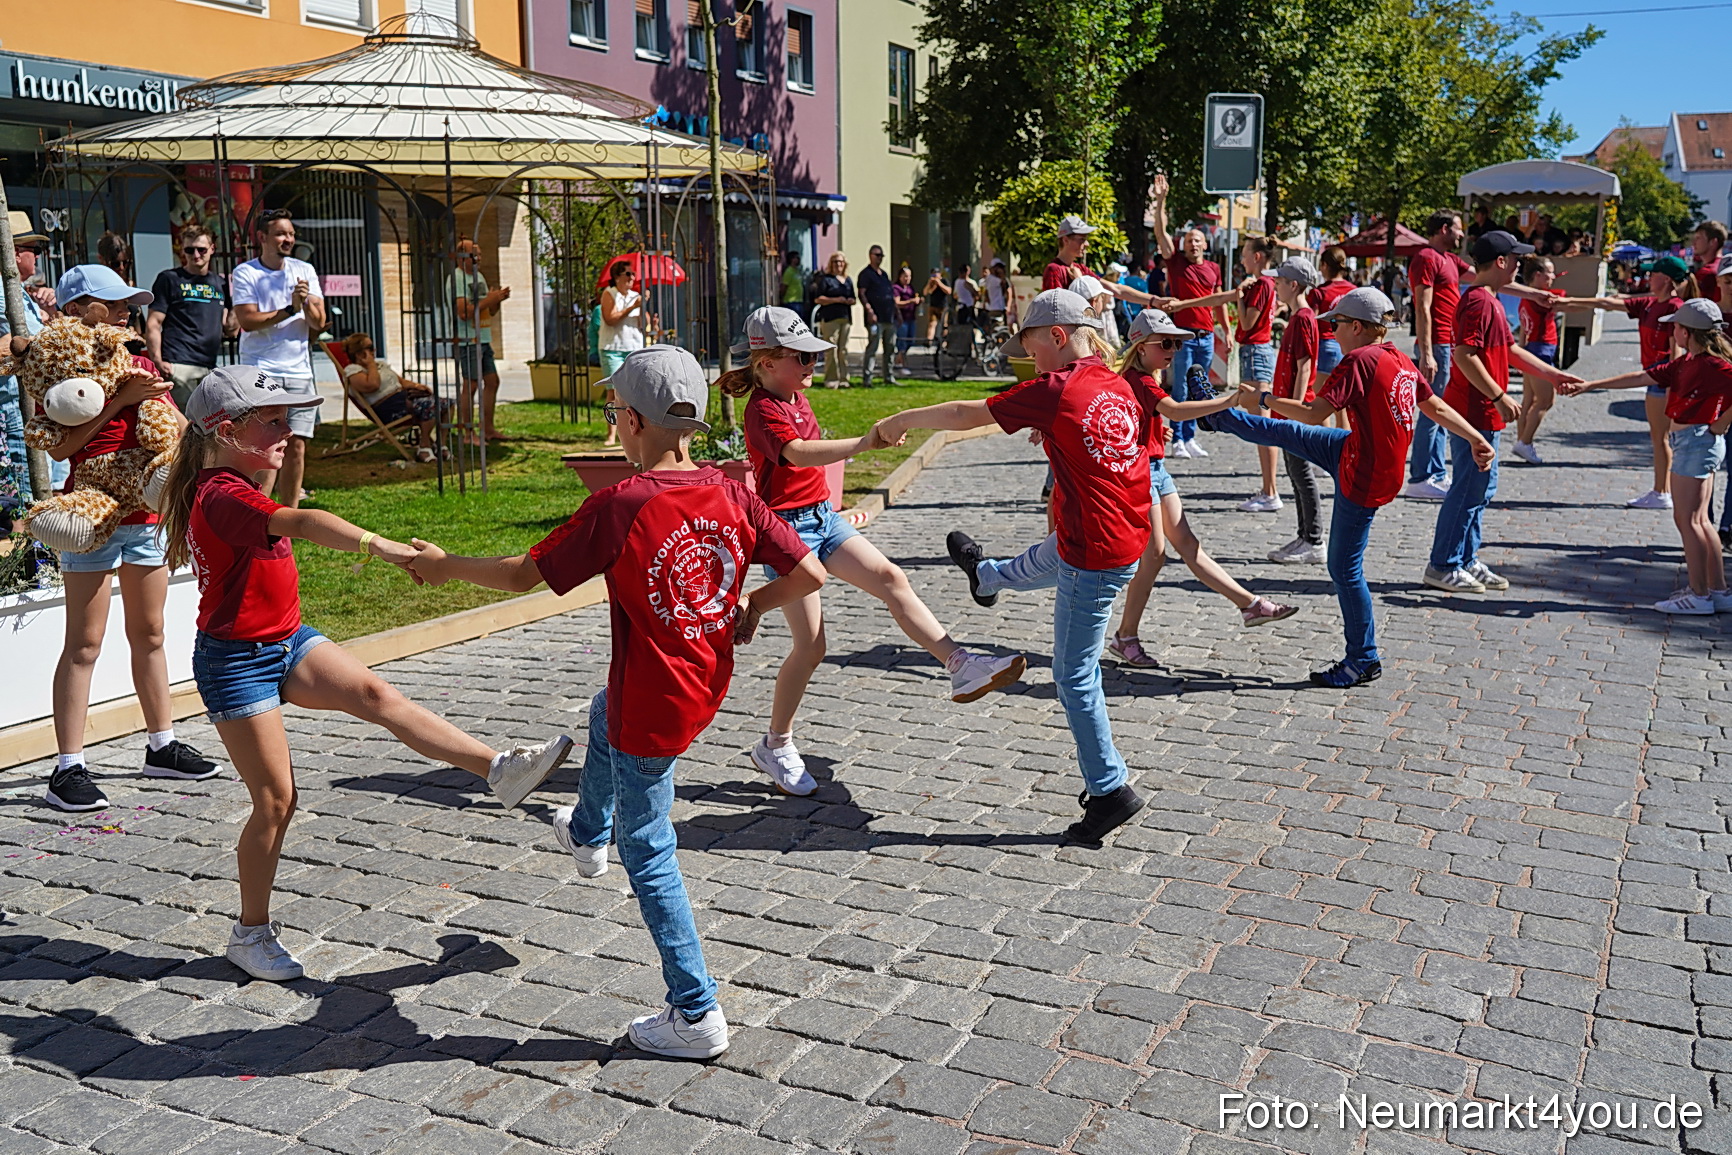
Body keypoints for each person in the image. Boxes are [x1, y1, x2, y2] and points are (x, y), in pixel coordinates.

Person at [406, 345, 827, 1057]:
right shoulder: (732, 491)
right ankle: (586, 832)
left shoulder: (620, 504)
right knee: (603, 714)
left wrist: (446, 567)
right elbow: (810, 570)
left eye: (613, 413)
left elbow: (520, 575)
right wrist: (754, 604)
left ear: (631, 421)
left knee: (651, 844)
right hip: (701, 681)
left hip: (652, 701)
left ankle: (695, 1012)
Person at [153, 365, 573, 981]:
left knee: (379, 694)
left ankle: (499, 769)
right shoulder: (221, 492)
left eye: (286, 416)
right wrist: (382, 547)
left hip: (286, 642)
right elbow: (302, 521)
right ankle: (249, 933)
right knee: (276, 801)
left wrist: (286, 463)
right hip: (234, 661)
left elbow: (286, 507)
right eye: (270, 419)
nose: (287, 429)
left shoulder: (244, 478)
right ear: (223, 428)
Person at [873, 290, 1154, 847]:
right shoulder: (1113, 383)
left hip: (1093, 552)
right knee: (1041, 560)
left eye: (1029, 348)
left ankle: (1109, 789)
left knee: (1075, 677)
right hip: (1120, 536)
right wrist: (1053, 430)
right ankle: (987, 577)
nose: (1027, 362)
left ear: (1056, 335)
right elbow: (1108, 441)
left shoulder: (1057, 389)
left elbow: (961, 413)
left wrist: (900, 417)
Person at [717, 307, 1026, 793]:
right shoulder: (762, 409)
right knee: (812, 646)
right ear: (767, 362)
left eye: (814, 357)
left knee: (891, 578)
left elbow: (810, 465)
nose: (811, 366)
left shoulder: (796, 396)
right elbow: (797, 454)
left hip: (823, 518)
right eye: (802, 357)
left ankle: (960, 666)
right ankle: (775, 743)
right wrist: (864, 443)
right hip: (789, 532)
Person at [1206, 287, 1496, 687]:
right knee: (1286, 433)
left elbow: (1313, 411)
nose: (1332, 333)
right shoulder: (1398, 358)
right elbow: (1437, 407)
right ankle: (1215, 417)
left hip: (1363, 475)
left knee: (1344, 569)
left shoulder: (1359, 360)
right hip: (1356, 452)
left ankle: (1363, 659)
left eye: (1337, 325)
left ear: (1357, 327)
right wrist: (1474, 439)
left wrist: (1267, 396)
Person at [29, 267, 224, 812]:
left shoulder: (139, 361)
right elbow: (62, 450)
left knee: (152, 633)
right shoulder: (62, 370)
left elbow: (170, 429)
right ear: (76, 309)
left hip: (143, 517)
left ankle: (160, 744)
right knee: (85, 643)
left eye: (128, 303)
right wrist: (119, 402)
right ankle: (68, 767)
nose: (125, 312)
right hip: (87, 518)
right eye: (111, 303)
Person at [1105, 308, 1300, 668]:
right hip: (1141, 475)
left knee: (1187, 547)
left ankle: (1250, 606)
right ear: (1140, 346)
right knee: (1155, 554)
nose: (1173, 351)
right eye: (1166, 343)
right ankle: (1124, 636)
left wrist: (1151, 431)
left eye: (1177, 344)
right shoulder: (1142, 379)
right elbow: (1176, 411)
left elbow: (1138, 416)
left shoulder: (1142, 377)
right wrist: (1227, 401)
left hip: (1156, 469)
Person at [1425, 231, 1583, 594]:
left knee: (1480, 489)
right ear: (1499, 262)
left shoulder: (1491, 299)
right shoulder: (1480, 301)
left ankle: (1465, 559)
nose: (1518, 266)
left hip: (1483, 411)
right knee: (1468, 489)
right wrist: (1498, 395)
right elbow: (1465, 355)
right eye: (1515, 260)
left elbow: (1509, 349)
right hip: (1473, 411)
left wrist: (1553, 374)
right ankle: (1443, 565)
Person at [1557, 299, 1732, 613]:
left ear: (1689, 332)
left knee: (1688, 520)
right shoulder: (1689, 363)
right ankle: (1716, 590)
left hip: (1694, 444)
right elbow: (1642, 377)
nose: (1672, 330)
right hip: (1693, 443)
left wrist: (1722, 421)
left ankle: (1699, 594)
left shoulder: (1712, 365)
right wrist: (1591, 385)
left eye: (1676, 326)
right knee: (1701, 520)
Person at [1553, 253, 1695, 509]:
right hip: (1656, 377)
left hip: (1661, 379)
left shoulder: (1674, 307)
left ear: (1665, 280)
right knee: (1659, 437)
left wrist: (1673, 388)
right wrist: (1567, 301)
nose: (1648, 278)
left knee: (1661, 438)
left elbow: (1677, 352)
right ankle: (1663, 490)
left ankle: (1662, 491)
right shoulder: (1650, 305)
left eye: (1653, 275)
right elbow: (1606, 303)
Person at [1165, 235, 1281, 497]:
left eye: (1244, 254)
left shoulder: (1259, 284)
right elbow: (1217, 299)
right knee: (1258, 419)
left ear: (1257, 257)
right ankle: (1267, 489)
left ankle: (1270, 491)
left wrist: (1238, 299)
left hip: (1255, 351)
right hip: (1254, 351)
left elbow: (1246, 320)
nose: (1241, 259)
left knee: (1262, 423)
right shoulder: (1264, 283)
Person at [230, 209, 325, 509]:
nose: (288, 239)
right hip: (261, 371)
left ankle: (291, 517)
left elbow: (319, 323)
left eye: (292, 234)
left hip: (299, 372)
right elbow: (247, 320)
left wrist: (306, 304)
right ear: (262, 238)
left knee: (296, 447)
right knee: (264, 446)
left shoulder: (304, 270)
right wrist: (289, 309)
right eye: (282, 234)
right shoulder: (246, 272)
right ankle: (260, 512)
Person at [1151, 174, 1226, 456]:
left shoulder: (1213, 269)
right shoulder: (1176, 263)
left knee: (1199, 388)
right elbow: (1160, 233)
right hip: (1181, 336)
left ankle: (1191, 437)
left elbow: (1218, 301)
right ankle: (1177, 439)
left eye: (1198, 241)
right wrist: (1161, 201)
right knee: (1179, 388)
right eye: (1189, 241)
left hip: (1206, 336)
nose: (1193, 245)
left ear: (1205, 245)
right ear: (1182, 246)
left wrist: (1226, 332)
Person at [1402, 211, 1472, 500]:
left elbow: (1488, 277)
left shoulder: (1451, 260)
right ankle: (1419, 477)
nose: (1461, 234)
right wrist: (1427, 353)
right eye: (1458, 229)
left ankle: (1436, 473)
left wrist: (1531, 293)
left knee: (1443, 411)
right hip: (1437, 345)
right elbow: (1423, 306)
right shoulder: (1427, 258)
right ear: (1444, 229)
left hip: (1448, 345)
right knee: (1432, 413)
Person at [1264, 257, 1328, 564]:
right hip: (1291, 409)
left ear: (1293, 285)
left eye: (1278, 281)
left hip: (1294, 411)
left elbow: (1305, 367)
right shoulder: (1300, 317)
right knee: (1295, 472)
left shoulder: (1303, 318)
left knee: (1301, 474)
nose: (1274, 285)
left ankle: (1313, 539)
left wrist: (1296, 409)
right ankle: (1305, 536)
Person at [148, 224, 236, 411]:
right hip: (178, 364)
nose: (196, 255)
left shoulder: (221, 284)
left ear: (212, 249)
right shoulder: (170, 279)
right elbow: (154, 322)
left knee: (207, 426)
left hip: (210, 366)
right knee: (183, 427)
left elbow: (230, 329)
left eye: (201, 250)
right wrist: (158, 361)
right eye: (189, 250)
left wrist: (238, 301)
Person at [1, 214, 49, 524]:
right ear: (16, 252)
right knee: (22, 496)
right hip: (12, 406)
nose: (38, 258)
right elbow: (13, 342)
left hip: (24, 404)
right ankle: (34, 567)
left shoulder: (18, 292)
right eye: (36, 250)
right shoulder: (3, 291)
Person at [340, 332, 453, 463]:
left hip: (404, 398)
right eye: (370, 348)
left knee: (447, 404)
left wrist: (417, 386)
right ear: (359, 354)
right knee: (430, 406)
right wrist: (370, 365)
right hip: (388, 407)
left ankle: (440, 444)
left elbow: (401, 381)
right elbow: (373, 385)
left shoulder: (380, 365)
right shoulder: (353, 371)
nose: (374, 351)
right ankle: (424, 447)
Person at [451, 237, 510, 445]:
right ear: (461, 258)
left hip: (483, 339)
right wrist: (489, 299)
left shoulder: (479, 277)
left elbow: (488, 310)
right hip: (468, 340)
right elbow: (464, 312)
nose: (479, 258)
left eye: (480, 254)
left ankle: (488, 428)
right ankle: (467, 433)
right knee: (471, 384)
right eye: (474, 255)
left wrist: (497, 300)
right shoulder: (457, 278)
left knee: (492, 381)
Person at [1512, 254, 1566, 465]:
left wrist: (1523, 350)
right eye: (1549, 272)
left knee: (1529, 400)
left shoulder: (1526, 298)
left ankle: (1522, 441)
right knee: (1545, 400)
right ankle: (1524, 442)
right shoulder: (1541, 298)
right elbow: (1566, 301)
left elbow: (1524, 329)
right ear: (1537, 275)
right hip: (1541, 350)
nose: (1553, 276)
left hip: (1531, 348)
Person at [598, 259, 647, 448]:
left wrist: (643, 307)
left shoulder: (636, 296)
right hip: (613, 348)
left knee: (633, 392)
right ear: (617, 277)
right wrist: (632, 308)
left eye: (633, 274)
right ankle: (611, 433)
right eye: (628, 274)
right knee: (614, 390)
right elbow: (610, 319)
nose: (632, 278)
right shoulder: (609, 294)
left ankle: (632, 431)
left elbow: (644, 324)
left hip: (633, 347)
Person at [811, 252, 855, 387]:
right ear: (831, 264)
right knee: (831, 349)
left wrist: (848, 301)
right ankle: (831, 379)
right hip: (830, 318)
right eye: (835, 262)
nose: (838, 264)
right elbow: (818, 299)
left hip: (845, 317)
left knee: (843, 350)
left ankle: (844, 379)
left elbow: (854, 299)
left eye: (841, 261)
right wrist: (836, 300)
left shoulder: (848, 280)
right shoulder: (826, 279)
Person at [857, 244, 897, 387]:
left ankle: (889, 376)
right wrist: (869, 311)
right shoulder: (865, 274)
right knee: (873, 348)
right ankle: (867, 379)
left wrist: (897, 312)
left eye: (881, 256)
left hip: (889, 317)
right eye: (877, 255)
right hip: (875, 318)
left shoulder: (884, 274)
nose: (880, 258)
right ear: (870, 256)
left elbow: (890, 295)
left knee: (891, 348)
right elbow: (861, 293)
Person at [1044, 216, 1097, 291]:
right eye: (1082, 239)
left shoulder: (1081, 268)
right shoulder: (1053, 270)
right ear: (1065, 240)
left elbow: (1106, 288)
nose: (1087, 244)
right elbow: (1056, 302)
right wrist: (1079, 281)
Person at [892, 266, 920, 372]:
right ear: (900, 276)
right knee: (902, 342)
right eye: (905, 276)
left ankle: (897, 360)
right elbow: (897, 303)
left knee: (910, 341)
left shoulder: (910, 288)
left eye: (909, 276)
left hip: (911, 318)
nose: (907, 278)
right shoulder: (896, 288)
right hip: (901, 319)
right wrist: (911, 301)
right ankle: (902, 364)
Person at [1694, 222, 1727, 306]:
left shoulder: (1707, 272)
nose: (1694, 243)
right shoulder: (1724, 267)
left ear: (1713, 242)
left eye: (1698, 238)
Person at [921, 267, 951, 343]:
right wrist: (929, 283)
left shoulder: (944, 280)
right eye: (933, 274)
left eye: (936, 273)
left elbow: (948, 291)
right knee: (932, 324)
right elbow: (925, 292)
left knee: (944, 325)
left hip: (942, 306)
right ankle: (929, 341)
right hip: (933, 306)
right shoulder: (931, 283)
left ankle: (944, 342)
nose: (934, 275)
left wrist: (939, 283)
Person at [983, 258, 1013, 329]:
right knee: (1001, 328)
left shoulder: (988, 278)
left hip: (992, 308)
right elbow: (1006, 287)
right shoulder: (994, 279)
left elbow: (986, 293)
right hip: (998, 307)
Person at [781, 250, 809, 321]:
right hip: (791, 302)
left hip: (799, 301)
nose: (798, 259)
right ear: (791, 259)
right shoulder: (789, 272)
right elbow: (784, 286)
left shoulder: (797, 271)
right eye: (796, 257)